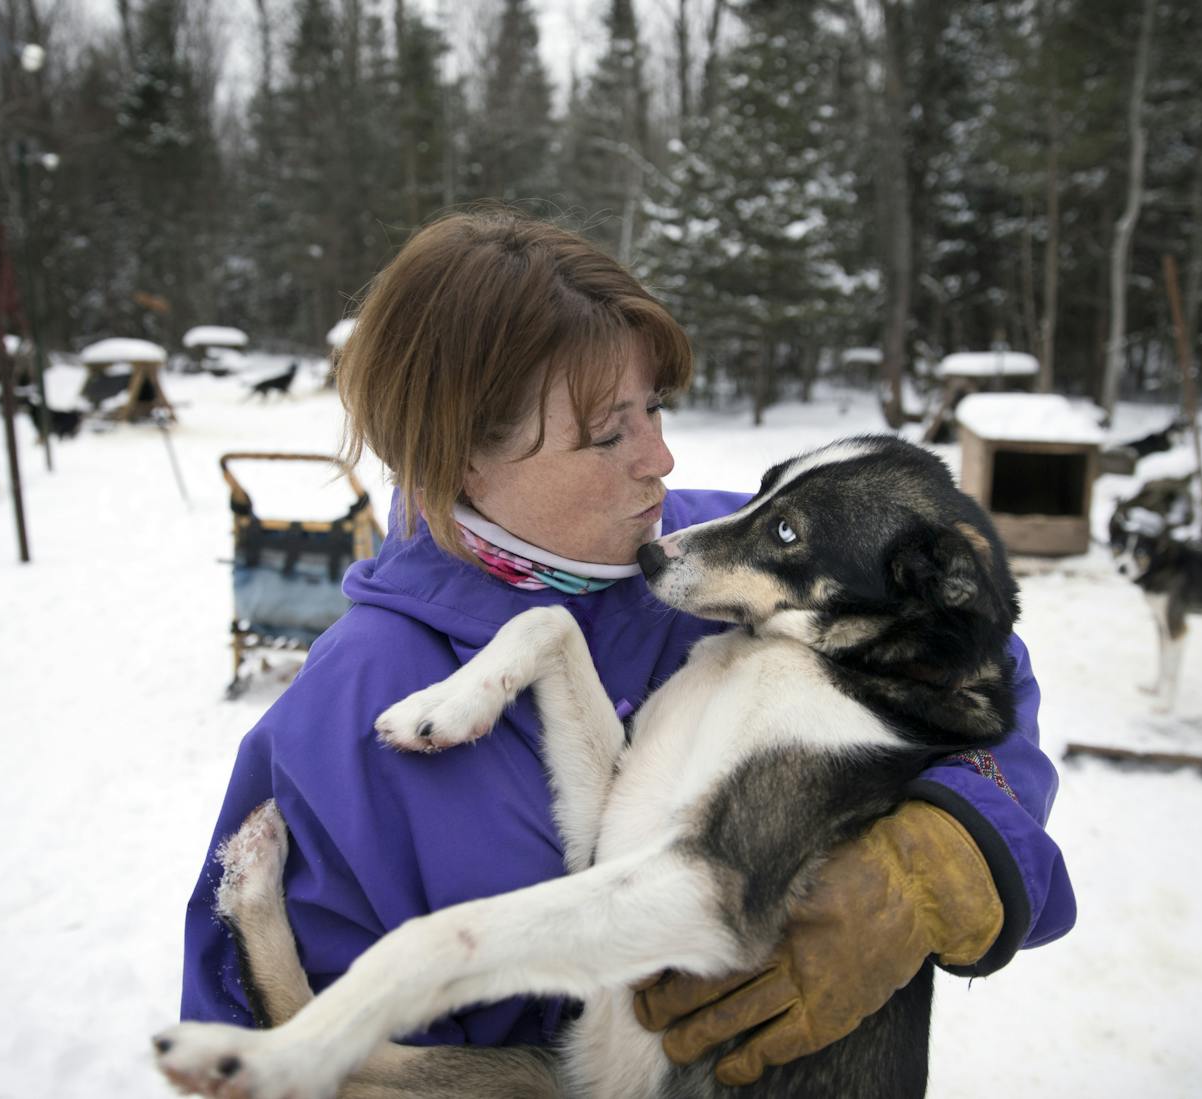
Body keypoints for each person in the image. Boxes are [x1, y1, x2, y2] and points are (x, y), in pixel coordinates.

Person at [181, 207, 1076, 1084]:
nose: (662, 459)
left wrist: (947, 849)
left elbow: (970, 658)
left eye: (654, 406)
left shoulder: (702, 552)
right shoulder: (349, 709)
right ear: (460, 458)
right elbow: (246, 1044)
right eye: (609, 432)